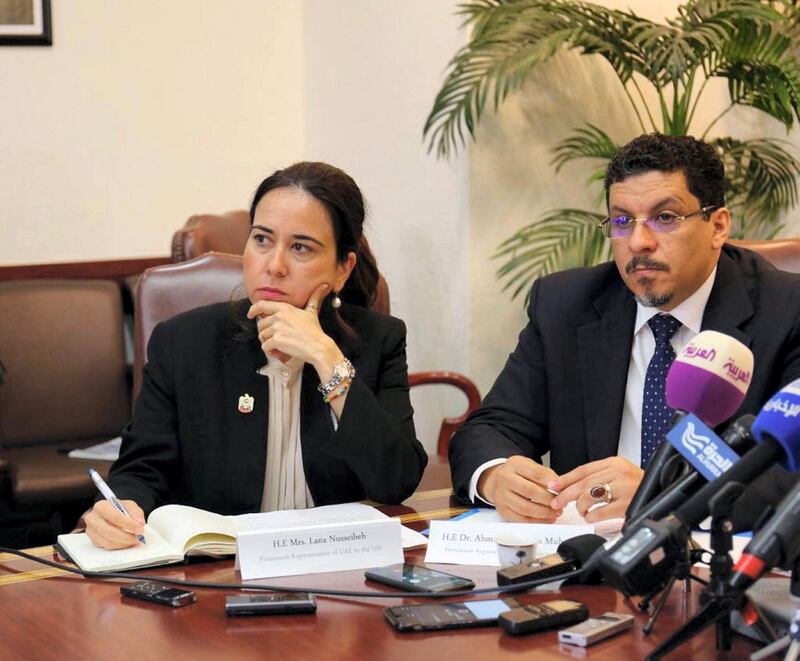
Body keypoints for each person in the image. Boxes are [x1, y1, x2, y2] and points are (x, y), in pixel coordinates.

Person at [450, 133, 800, 528]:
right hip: (587, 561)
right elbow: (491, 429)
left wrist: (663, 492)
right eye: (621, 221)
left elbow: (792, 482)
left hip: (722, 567)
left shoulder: (786, 311)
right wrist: (497, 476)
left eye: (665, 218)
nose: (638, 241)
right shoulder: (566, 305)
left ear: (717, 226)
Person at [86, 161, 427, 549]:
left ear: (342, 268)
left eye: (300, 247)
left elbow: (396, 480)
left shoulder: (377, 340)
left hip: (338, 571)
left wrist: (327, 360)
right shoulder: (183, 343)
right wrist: (119, 508)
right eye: (262, 240)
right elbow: (140, 470)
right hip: (219, 576)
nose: (274, 265)